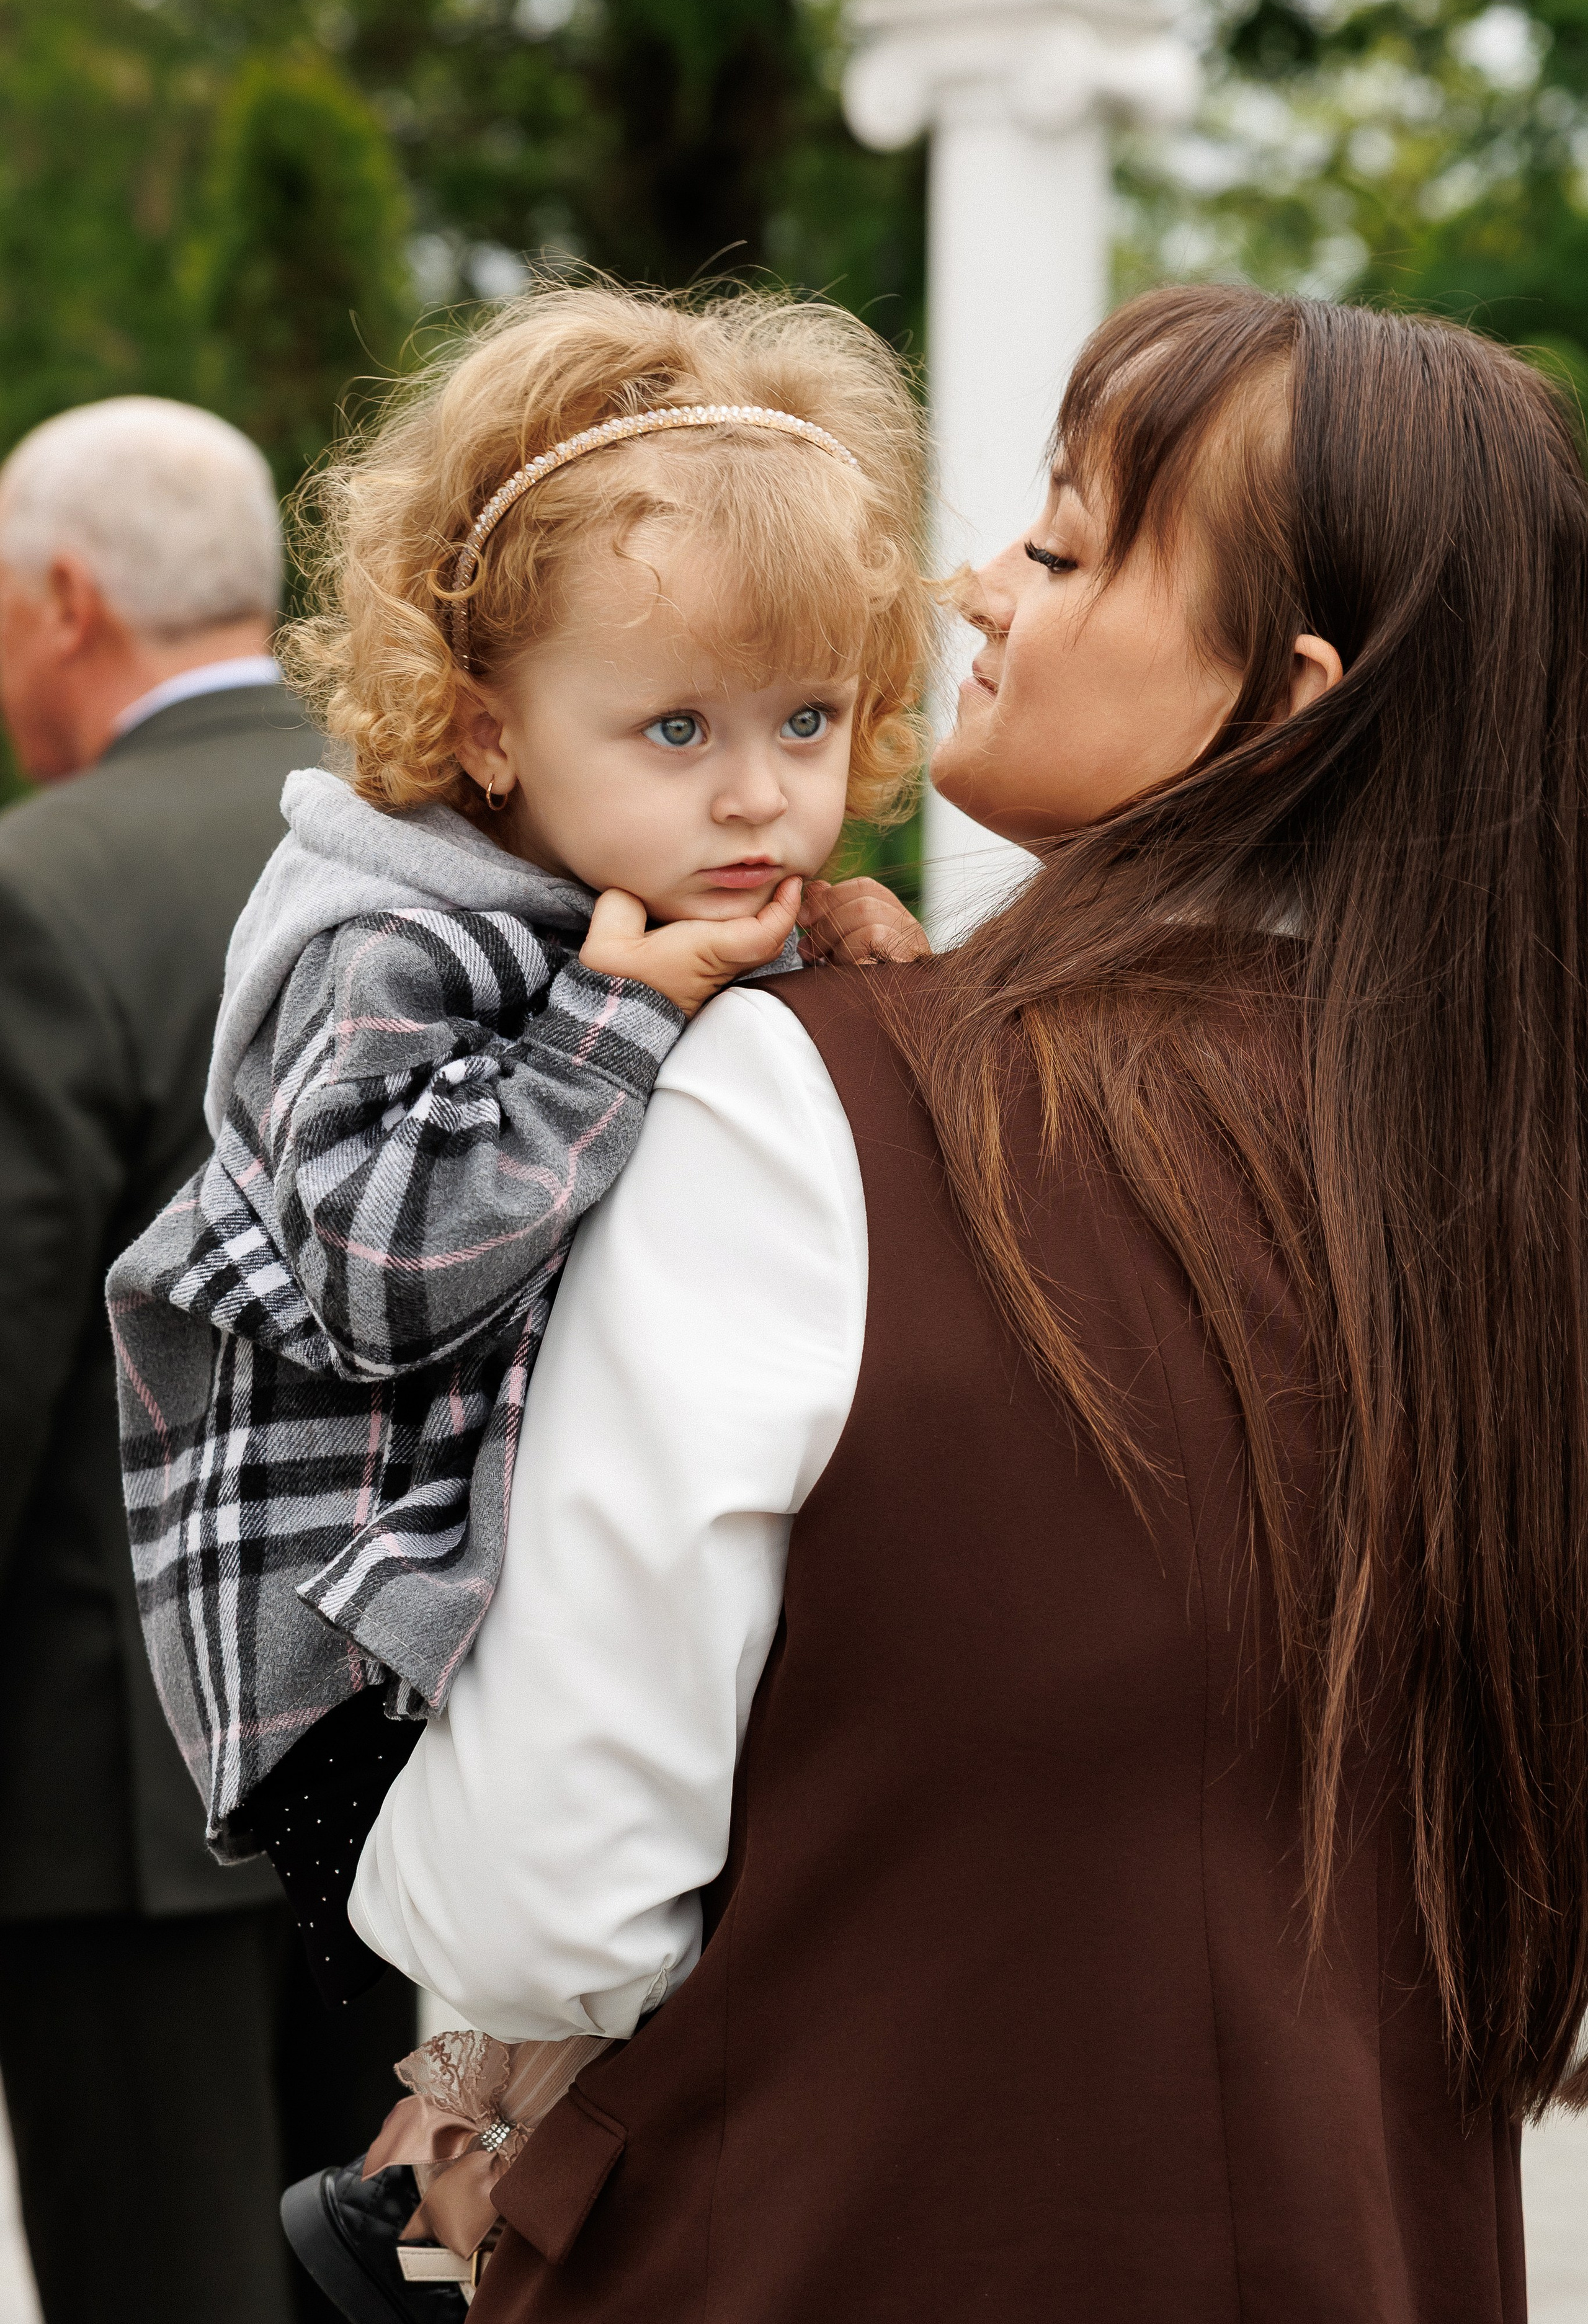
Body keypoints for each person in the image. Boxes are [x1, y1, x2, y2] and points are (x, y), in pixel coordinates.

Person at [350, 285, 1588, 2323]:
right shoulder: (1511, 1191)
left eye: (1075, 544)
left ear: (1280, 702)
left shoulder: (806, 1100)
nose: (975, 585)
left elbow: (548, 1885)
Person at [105, 290, 929, 2315]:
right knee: (571, 1934)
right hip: (334, 1622)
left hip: (455, 1568)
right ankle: (429, 2196)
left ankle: (423, 2183)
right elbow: (391, 1278)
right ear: (484, 725)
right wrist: (618, 1021)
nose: (757, 800)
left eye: (803, 725)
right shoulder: (375, 930)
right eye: (678, 731)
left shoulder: (626, 875)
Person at [0, 396, 416, 2324]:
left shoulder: (44, 889)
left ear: (67, 599)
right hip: (417, 1763)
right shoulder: (439, 849)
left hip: (123, 1793)